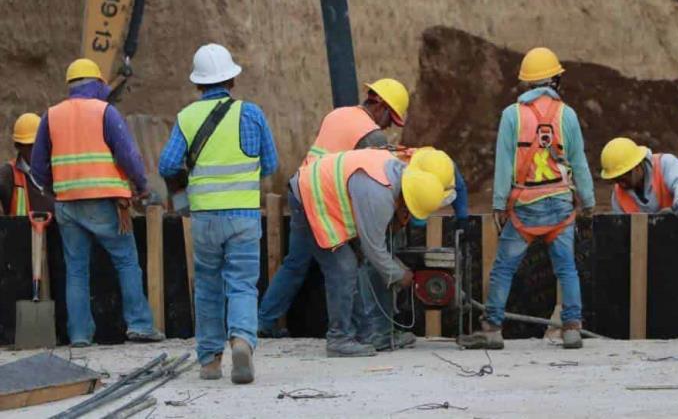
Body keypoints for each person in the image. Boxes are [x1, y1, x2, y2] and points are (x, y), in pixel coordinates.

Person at [159, 43, 278, 384]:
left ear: (198, 84)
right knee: (241, 284)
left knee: (208, 286)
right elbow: (270, 164)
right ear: (232, 80)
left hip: (205, 219)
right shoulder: (251, 113)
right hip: (243, 216)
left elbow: (167, 164)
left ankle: (210, 361)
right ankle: (241, 340)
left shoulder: (186, 117)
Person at [465, 47, 595, 350]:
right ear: (554, 81)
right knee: (566, 269)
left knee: (503, 269)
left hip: (525, 208)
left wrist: (499, 204)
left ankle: (493, 328)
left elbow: (503, 163)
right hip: (561, 206)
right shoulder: (568, 115)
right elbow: (579, 163)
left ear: (527, 84)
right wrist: (587, 202)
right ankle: (573, 328)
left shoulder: (512, 115)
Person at [257, 78, 409, 338]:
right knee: (350, 264)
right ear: (382, 107)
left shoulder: (340, 113)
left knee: (296, 263)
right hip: (322, 202)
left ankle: (265, 321)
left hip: (303, 189)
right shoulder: (372, 135)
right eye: (390, 120)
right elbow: (374, 175)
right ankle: (363, 331)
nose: (388, 127)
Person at [31, 58, 162, 347]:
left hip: (67, 204)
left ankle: (79, 335)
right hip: (105, 204)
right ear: (98, 84)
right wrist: (141, 186)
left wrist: (56, 191)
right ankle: (140, 325)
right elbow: (129, 156)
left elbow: (37, 168)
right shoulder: (106, 112)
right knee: (127, 262)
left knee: (76, 270)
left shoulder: (51, 116)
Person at [289, 147, 455, 357]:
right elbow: (373, 249)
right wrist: (399, 275)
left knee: (354, 264)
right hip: (309, 197)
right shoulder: (379, 194)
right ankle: (339, 338)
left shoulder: (399, 173)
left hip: (325, 194)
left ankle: (368, 335)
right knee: (344, 267)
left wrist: (393, 266)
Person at [354, 147, 468, 351]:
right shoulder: (396, 171)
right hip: (377, 214)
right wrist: (397, 272)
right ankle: (374, 331)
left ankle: (385, 329)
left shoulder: (443, 167)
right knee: (375, 267)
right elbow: (375, 247)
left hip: (394, 212)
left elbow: (458, 186)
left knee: (386, 266)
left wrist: (462, 218)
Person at [600, 137, 678, 214]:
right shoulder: (618, 195)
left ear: (637, 165)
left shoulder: (665, 164)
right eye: (616, 179)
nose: (621, 183)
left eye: (625, 176)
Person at [0, 113, 53, 215]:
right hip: (20, 230)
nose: (34, 150)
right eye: (28, 146)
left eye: (37, 144)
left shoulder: (56, 171)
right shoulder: (8, 175)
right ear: (18, 146)